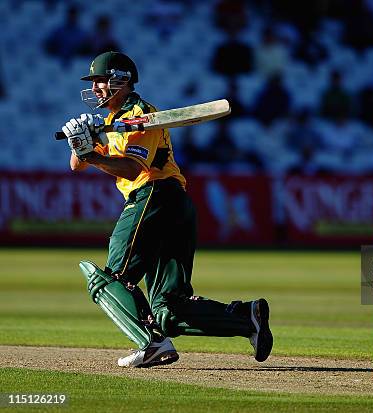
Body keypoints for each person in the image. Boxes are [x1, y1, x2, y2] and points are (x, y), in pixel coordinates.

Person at [60, 51, 273, 368]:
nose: (94, 88)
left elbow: (133, 169)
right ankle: (246, 319)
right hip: (173, 205)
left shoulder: (142, 114)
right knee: (168, 309)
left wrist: (92, 155)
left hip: (154, 194)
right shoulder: (109, 123)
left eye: (99, 80)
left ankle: (151, 343)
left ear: (122, 80)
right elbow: (76, 165)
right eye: (92, 82)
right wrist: (82, 142)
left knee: (112, 278)